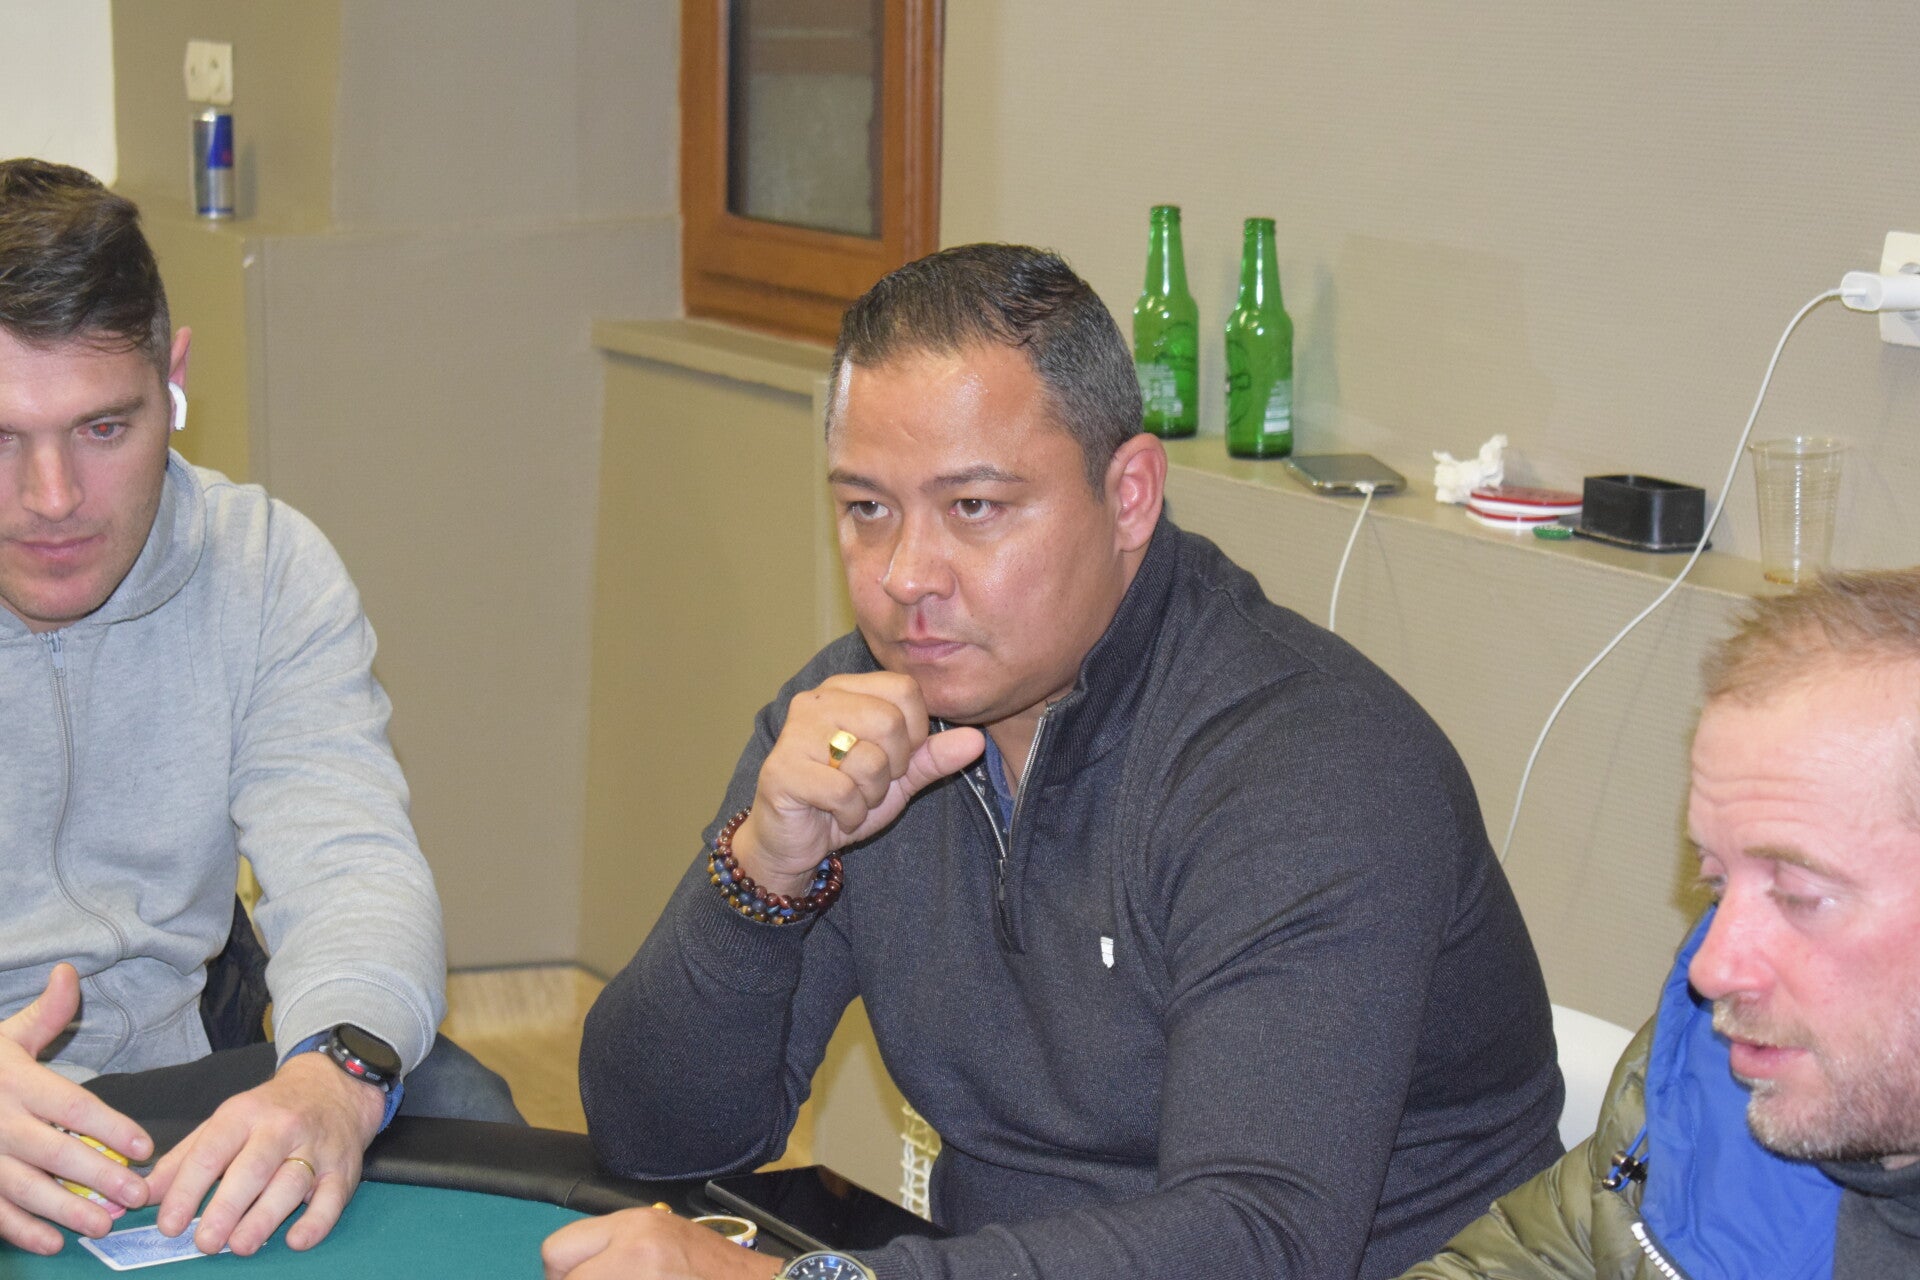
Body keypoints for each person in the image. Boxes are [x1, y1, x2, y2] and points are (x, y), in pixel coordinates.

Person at [548, 243, 1562, 1280]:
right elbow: (657, 1144)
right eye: (867, 509)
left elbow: (1257, 1240)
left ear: (1130, 495)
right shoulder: (854, 722)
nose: (906, 577)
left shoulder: (1308, 770)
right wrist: (763, 869)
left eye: (974, 508)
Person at [0, 158, 517, 1262]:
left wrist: (336, 1074)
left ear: (174, 382)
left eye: (104, 429)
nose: (52, 500)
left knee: (458, 1100)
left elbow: (351, 863)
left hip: (177, 1075)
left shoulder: (267, 564)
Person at [1397, 569, 1920, 1280]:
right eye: (1717, 884)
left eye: (1800, 896)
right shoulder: (1707, 1073)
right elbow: (1530, 1257)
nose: (1712, 967)